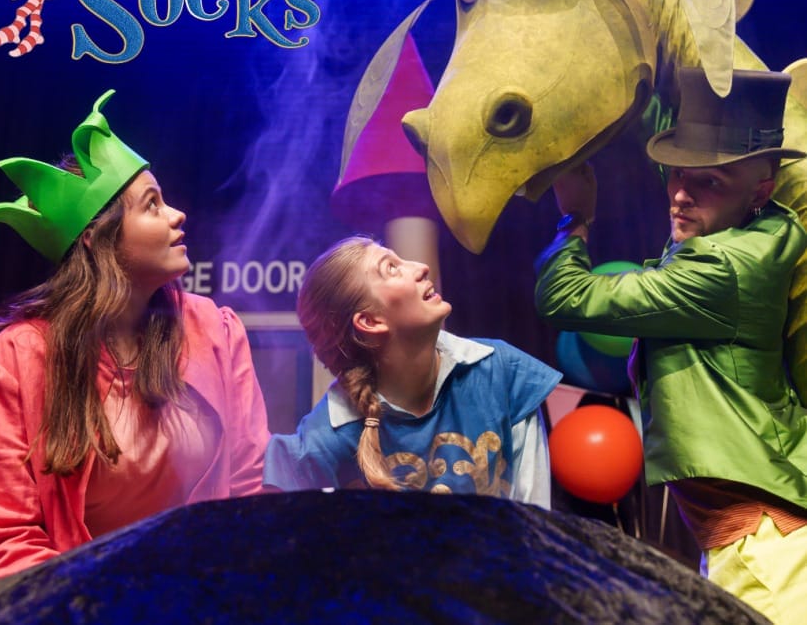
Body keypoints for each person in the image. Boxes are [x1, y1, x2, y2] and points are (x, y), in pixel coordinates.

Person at [0, 90, 270, 590]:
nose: (177, 215)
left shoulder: (215, 331)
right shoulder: (7, 368)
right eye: (152, 205)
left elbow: (249, 490)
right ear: (94, 236)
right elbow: (3, 545)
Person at [534, 67, 807, 624]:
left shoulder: (719, 267)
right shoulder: (766, 225)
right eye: (676, 173)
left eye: (708, 182)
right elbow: (696, 173)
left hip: (764, 547)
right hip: (749, 537)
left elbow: (563, 296)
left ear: (762, 186)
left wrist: (575, 218)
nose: (680, 195)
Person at [265, 235, 560, 504]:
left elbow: (535, 523)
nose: (421, 267)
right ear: (370, 322)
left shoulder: (502, 374)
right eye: (391, 268)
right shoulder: (321, 443)